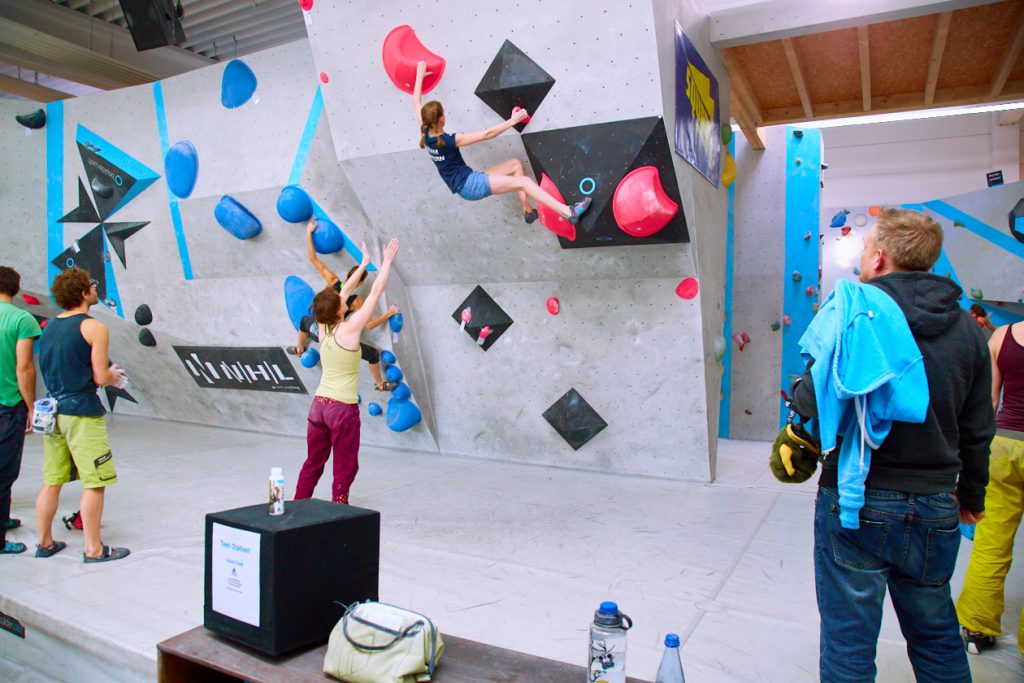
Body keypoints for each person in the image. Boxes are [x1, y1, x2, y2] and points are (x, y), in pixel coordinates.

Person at [790, 208, 994, 681]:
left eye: (864, 248)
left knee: (848, 643)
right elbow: (978, 428)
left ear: (880, 258)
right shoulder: (968, 330)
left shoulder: (850, 310)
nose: (862, 256)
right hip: (936, 503)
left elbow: (810, 397)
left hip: (857, 499)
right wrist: (971, 497)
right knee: (938, 637)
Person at [412, 61, 591, 227]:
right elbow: (487, 134)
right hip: (470, 185)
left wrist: (419, 75)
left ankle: (528, 211)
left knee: (515, 165)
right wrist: (513, 120)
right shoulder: (450, 141)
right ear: (442, 119)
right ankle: (568, 212)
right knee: (525, 182)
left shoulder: (425, 130)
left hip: (467, 180)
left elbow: (416, 102)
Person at [294, 238, 399, 505]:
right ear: (339, 312)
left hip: (318, 406)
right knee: (345, 466)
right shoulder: (349, 330)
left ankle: (296, 506)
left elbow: (343, 292)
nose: (342, 300)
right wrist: (386, 262)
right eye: (340, 302)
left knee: (313, 463)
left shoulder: (324, 324)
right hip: (341, 410)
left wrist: (364, 263)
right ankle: (339, 509)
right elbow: (375, 292)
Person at [35, 268, 130, 562]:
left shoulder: (49, 326)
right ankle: (94, 548)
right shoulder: (94, 327)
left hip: (53, 413)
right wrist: (112, 376)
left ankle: (45, 542)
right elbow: (100, 377)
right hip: (81, 413)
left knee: (52, 480)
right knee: (95, 481)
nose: (94, 288)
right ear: (82, 293)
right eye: (91, 284)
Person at [956, 322, 1024, 656]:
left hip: (1003, 447)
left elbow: (987, 404)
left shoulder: (1003, 336)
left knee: (991, 542)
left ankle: (976, 627)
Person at [289, 220, 400, 392]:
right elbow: (370, 317)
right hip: (341, 346)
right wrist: (389, 313)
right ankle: (379, 384)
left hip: (319, 334)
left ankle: (299, 348)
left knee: (304, 322)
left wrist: (308, 232)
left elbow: (314, 260)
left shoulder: (332, 285)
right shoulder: (350, 317)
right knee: (372, 355)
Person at [0, 267, 41, 555]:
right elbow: (24, 368)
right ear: (16, 289)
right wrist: (31, 407)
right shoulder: (22, 319)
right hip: (8, 406)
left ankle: (3, 518)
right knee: (4, 472)